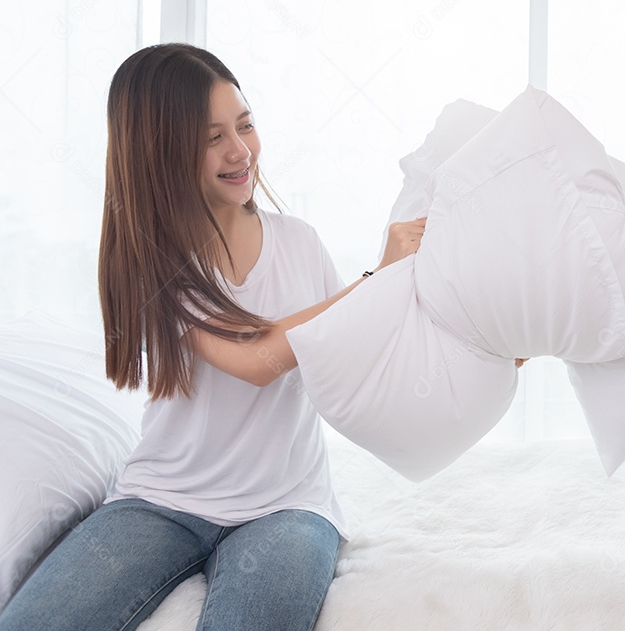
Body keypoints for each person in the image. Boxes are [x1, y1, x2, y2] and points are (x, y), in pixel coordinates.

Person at [0, 43, 424, 631]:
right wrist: (375, 278)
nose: (238, 150)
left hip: (287, 508)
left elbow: (357, 361)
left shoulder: (299, 242)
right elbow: (257, 358)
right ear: (160, 153)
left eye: (244, 125)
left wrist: (484, 354)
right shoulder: (156, 263)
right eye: (209, 138)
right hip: (161, 501)